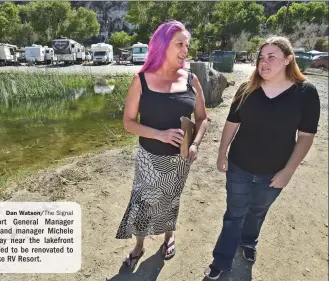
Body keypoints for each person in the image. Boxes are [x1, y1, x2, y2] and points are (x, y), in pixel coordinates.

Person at [204, 36, 321, 279]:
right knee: (234, 214)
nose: (263, 63)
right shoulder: (247, 89)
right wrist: (221, 152)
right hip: (239, 165)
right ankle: (221, 260)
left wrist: (288, 171)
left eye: (271, 57)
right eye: (261, 57)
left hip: (274, 170)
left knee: (257, 210)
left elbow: (306, 136)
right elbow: (231, 123)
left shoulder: (306, 93)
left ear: (288, 60)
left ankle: (249, 241)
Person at [115, 20, 209, 269]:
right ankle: (138, 245)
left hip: (180, 159)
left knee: (171, 200)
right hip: (149, 157)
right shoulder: (141, 80)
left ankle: (169, 236)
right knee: (144, 203)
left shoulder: (191, 79)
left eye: (187, 45)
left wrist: (196, 144)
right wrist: (159, 134)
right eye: (180, 44)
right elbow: (128, 122)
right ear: (162, 45)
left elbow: (202, 118)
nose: (185, 50)